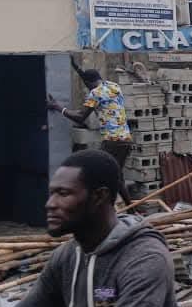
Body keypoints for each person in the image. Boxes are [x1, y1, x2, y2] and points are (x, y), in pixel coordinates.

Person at [0, 149, 179, 307]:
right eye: (51, 194)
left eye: (63, 193)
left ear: (99, 196)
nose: (50, 204)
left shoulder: (145, 260)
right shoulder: (66, 258)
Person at [47, 69, 133, 206]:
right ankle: (131, 209)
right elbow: (85, 111)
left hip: (112, 141)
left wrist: (58, 108)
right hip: (125, 139)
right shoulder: (114, 86)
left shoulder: (95, 93)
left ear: (87, 82)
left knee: (99, 172)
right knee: (117, 176)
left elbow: (81, 117)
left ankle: (102, 208)